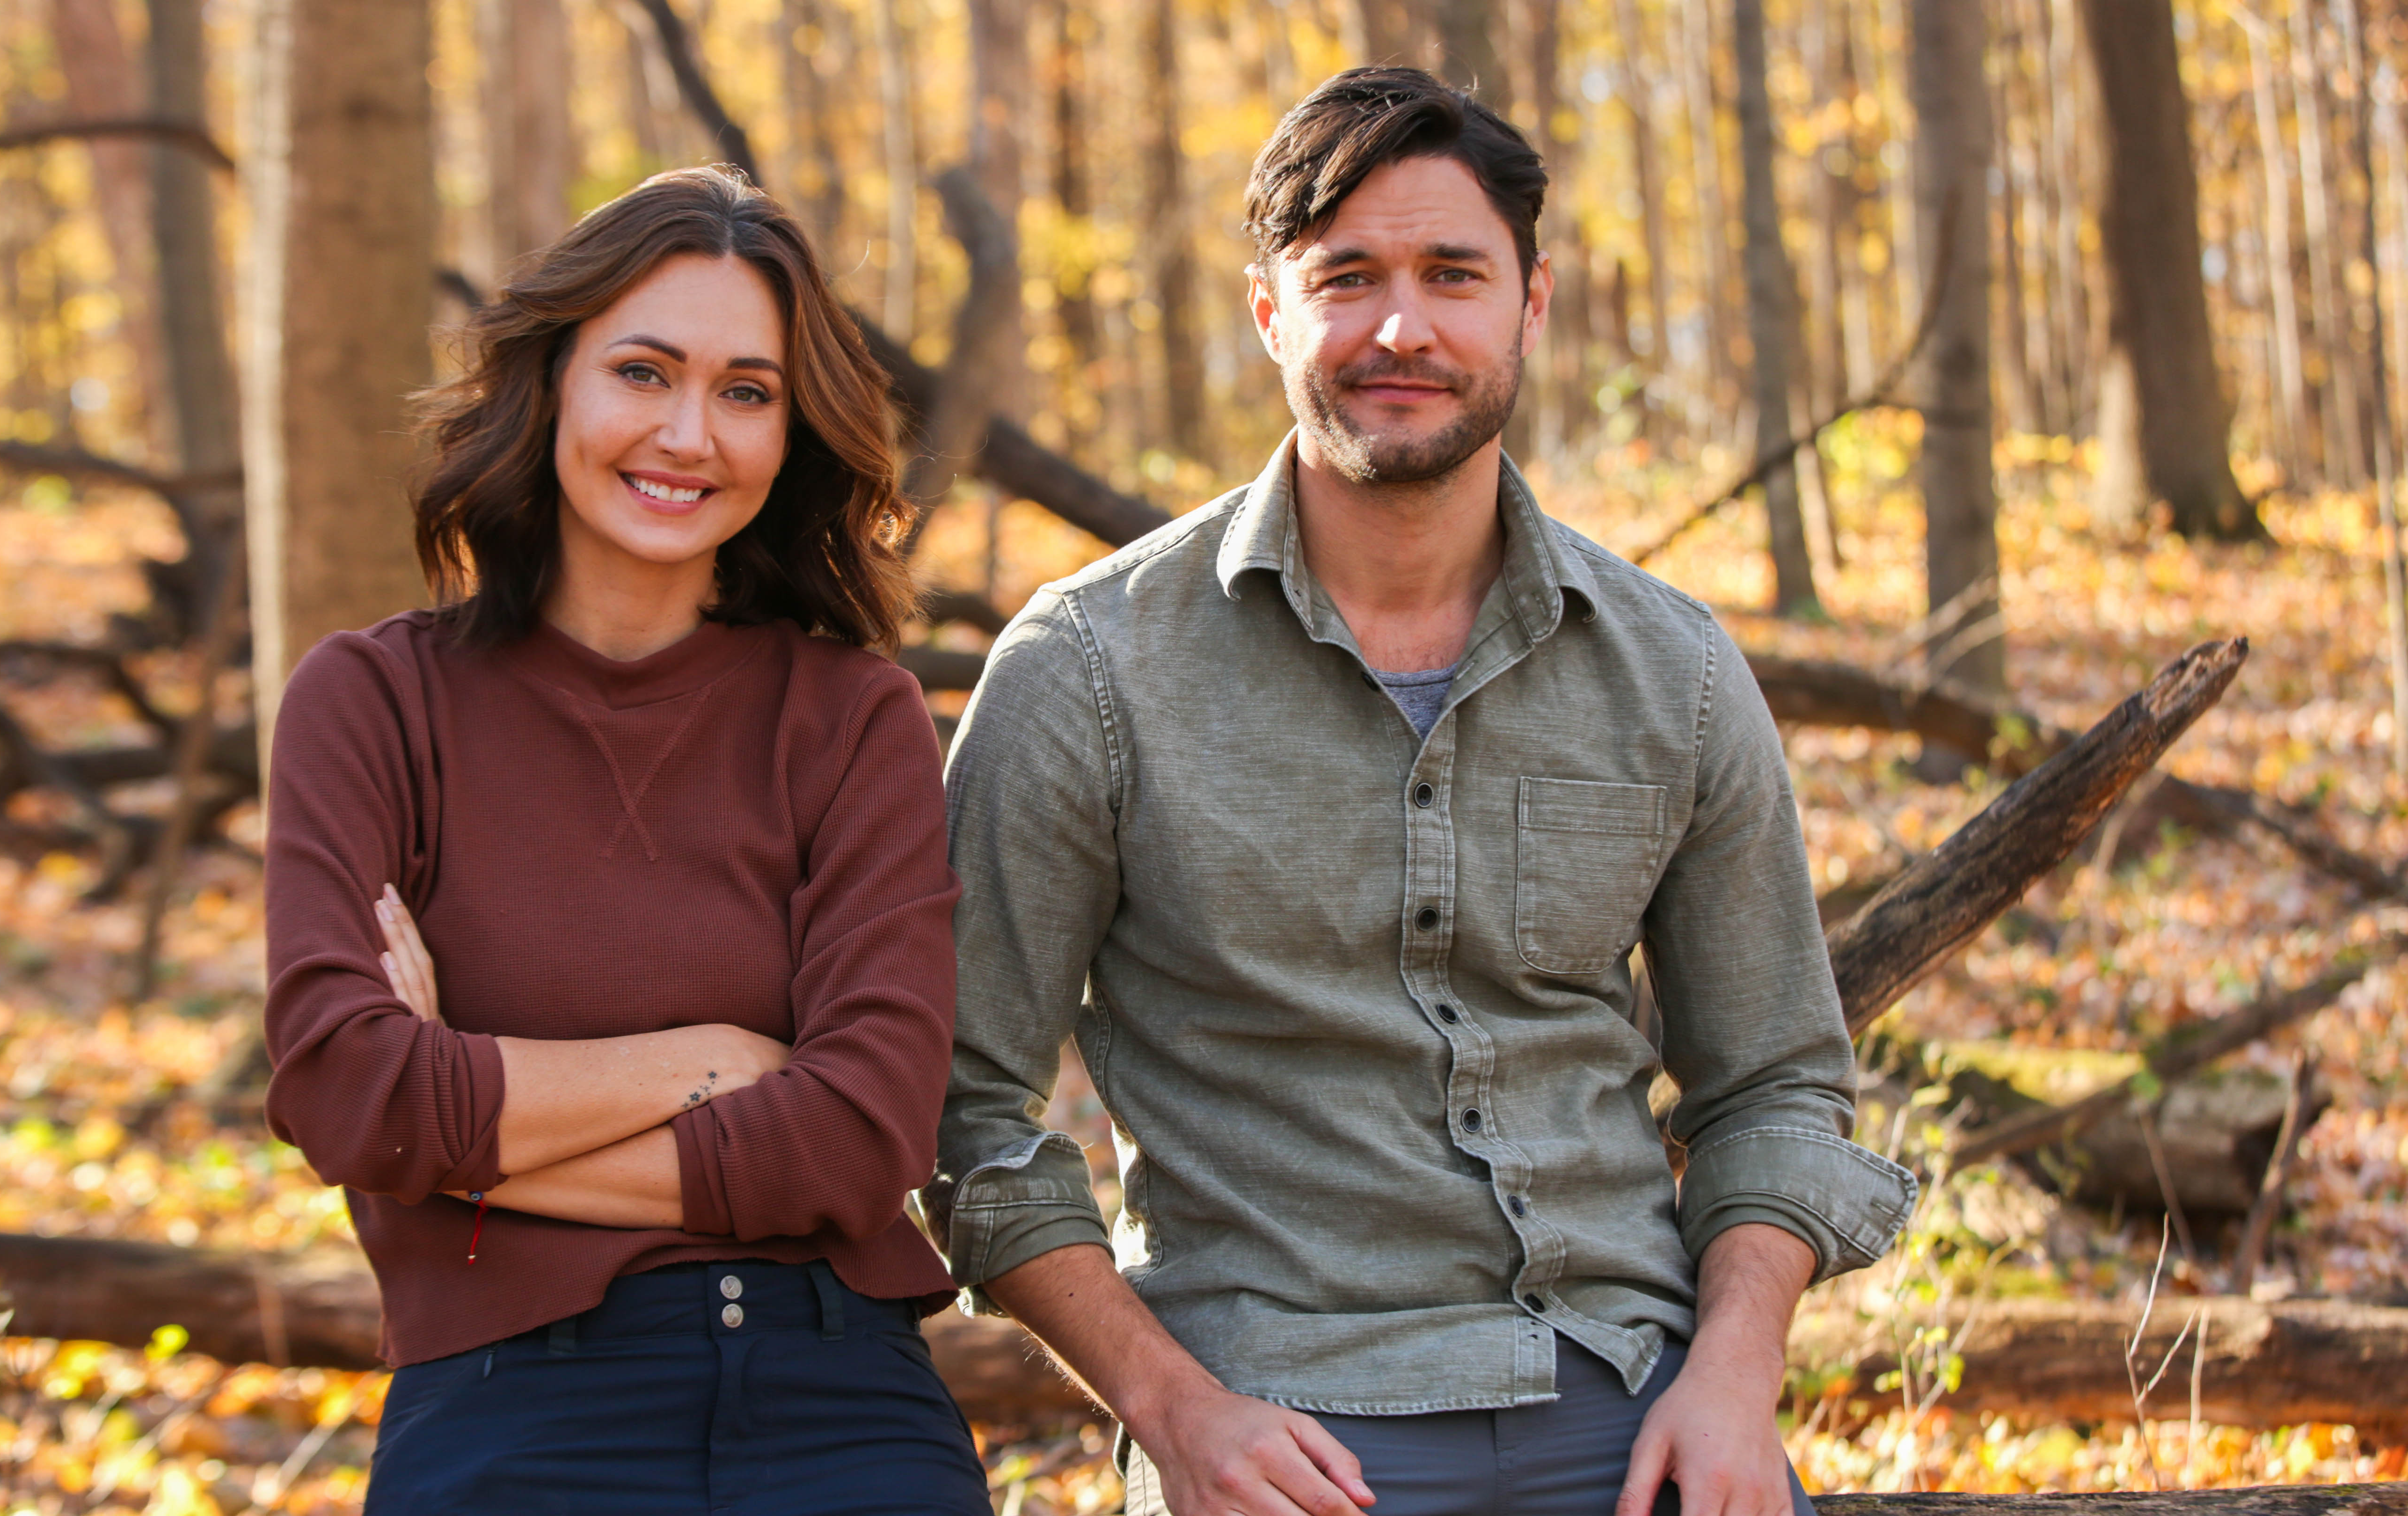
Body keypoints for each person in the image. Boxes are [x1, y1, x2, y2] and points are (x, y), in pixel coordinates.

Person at [930, 68, 1915, 1516]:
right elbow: (965, 1110)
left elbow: (1773, 1084)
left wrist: (1731, 1379)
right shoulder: (1088, 672)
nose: (1403, 328)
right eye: (1349, 278)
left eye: (1454, 274)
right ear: (1271, 311)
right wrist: (1175, 1414)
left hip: (1633, 1390)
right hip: (1278, 1420)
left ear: (1533, 303)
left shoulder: (1675, 673)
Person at [260, 167, 990, 1516]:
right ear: (552, 387)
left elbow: (864, 1138)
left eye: (747, 391)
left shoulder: (852, 717)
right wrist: (714, 1065)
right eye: (644, 373)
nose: (689, 435)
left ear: (791, 434)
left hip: (840, 1392)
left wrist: (466, 1165)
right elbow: (344, 1093)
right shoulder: (374, 703)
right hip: (509, 1403)